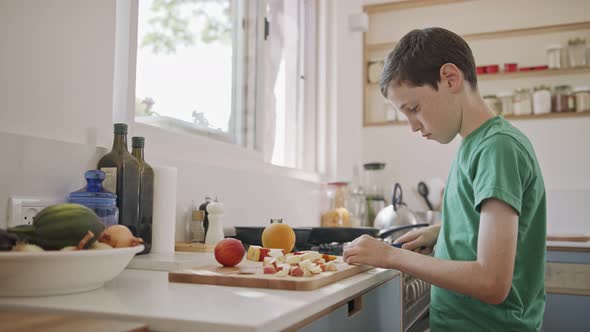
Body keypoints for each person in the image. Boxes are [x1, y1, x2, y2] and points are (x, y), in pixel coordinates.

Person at [343, 27, 546, 331]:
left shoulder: (497, 148)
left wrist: (390, 256)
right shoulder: (475, 145)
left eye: (414, 108)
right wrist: (442, 231)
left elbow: (492, 282)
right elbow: (486, 223)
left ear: (450, 78)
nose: (412, 126)